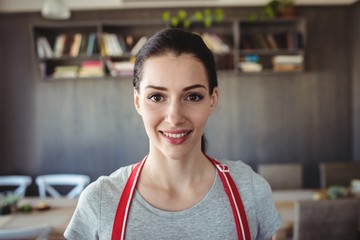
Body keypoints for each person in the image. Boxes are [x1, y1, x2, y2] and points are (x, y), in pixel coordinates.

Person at [64, 28, 282, 240]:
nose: (175, 117)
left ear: (212, 100)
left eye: (193, 96)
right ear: (138, 101)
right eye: (157, 97)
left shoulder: (250, 190)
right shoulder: (100, 200)